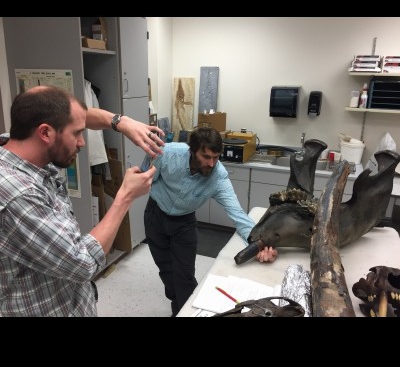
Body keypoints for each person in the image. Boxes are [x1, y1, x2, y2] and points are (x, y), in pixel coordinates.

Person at [0, 85, 164, 317]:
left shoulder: (19, 142)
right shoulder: (19, 194)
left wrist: (120, 122)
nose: (82, 142)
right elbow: (83, 262)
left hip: (73, 301)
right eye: (77, 133)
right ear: (45, 133)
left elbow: (80, 116)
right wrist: (125, 196)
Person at [144, 127, 278, 317]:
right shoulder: (168, 154)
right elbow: (147, 180)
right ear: (193, 151)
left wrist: (259, 243)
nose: (212, 163)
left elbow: (237, 214)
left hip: (184, 223)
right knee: (166, 270)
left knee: (185, 276)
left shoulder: (218, 177)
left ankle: (185, 312)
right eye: (206, 157)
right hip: (155, 215)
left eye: (216, 157)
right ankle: (178, 304)